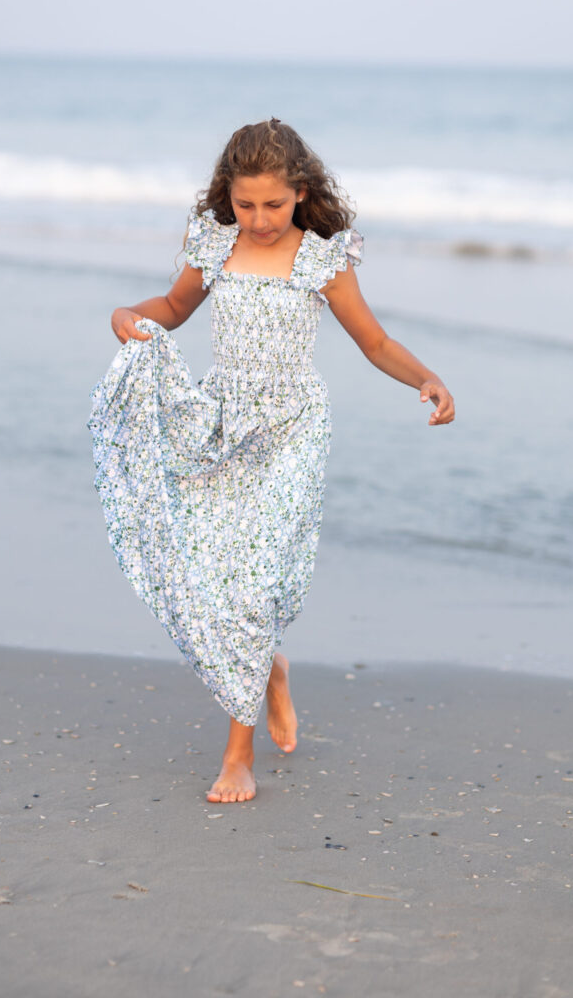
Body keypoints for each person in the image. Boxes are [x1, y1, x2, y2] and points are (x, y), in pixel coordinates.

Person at [88, 119, 454, 805]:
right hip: (223, 421)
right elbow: (173, 307)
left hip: (291, 430)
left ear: (301, 193)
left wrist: (426, 378)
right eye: (245, 204)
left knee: (254, 585)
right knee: (207, 570)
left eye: (273, 205)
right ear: (227, 196)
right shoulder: (215, 245)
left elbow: (375, 343)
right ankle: (270, 668)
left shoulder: (321, 261)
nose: (258, 219)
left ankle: (238, 755)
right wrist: (127, 314)